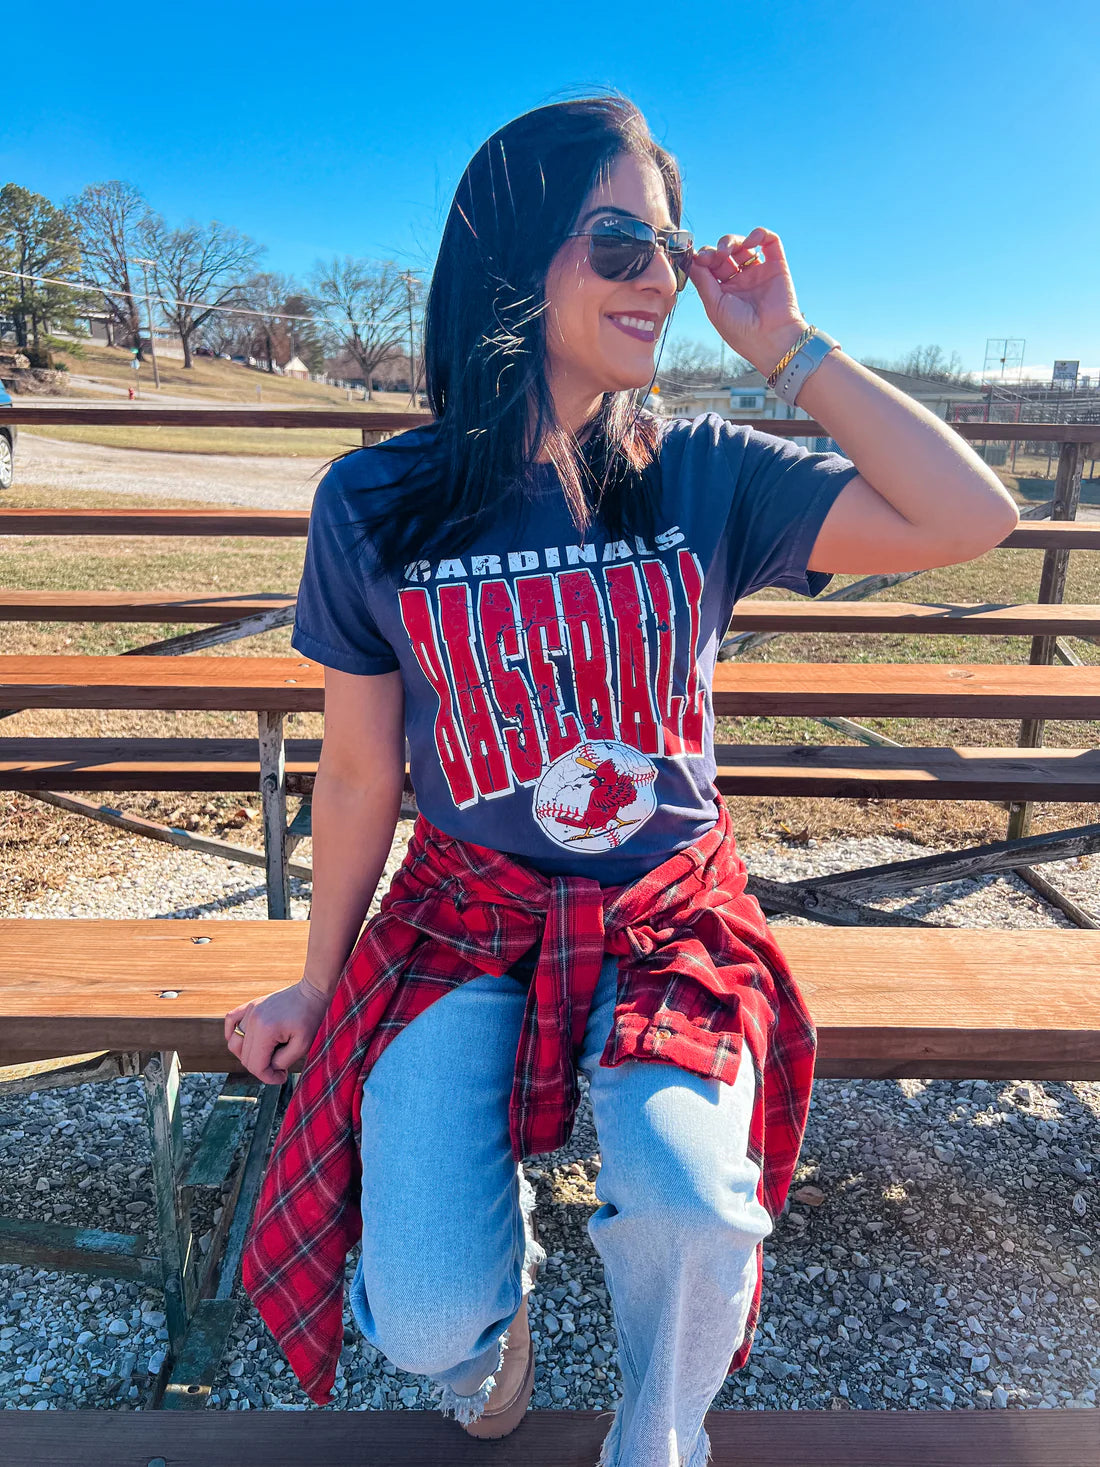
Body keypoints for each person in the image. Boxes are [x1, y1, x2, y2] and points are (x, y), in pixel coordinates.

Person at [225, 94, 1018, 1464]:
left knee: (697, 1208)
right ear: (510, 262)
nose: (659, 277)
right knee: (417, 1322)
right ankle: (493, 1341)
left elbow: (974, 517)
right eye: (617, 243)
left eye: (669, 244)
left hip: (666, 914)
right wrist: (315, 976)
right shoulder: (377, 503)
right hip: (463, 920)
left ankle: (659, 1442)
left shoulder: (704, 475)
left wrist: (789, 348)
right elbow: (357, 774)